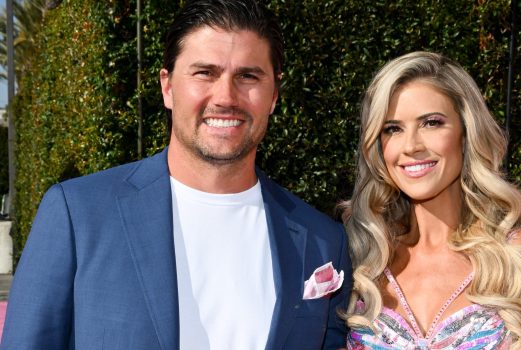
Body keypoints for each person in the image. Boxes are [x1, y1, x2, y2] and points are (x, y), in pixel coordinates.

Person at [0, 1, 351, 349]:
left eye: (248, 76)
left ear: (274, 94)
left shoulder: (323, 242)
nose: (226, 96)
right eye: (205, 73)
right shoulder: (78, 214)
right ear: (167, 87)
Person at [342, 52, 521, 349]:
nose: (411, 146)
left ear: (466, 133)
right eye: (392, 128)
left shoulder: (520, 258)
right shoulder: (359, 259)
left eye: (431, 123)